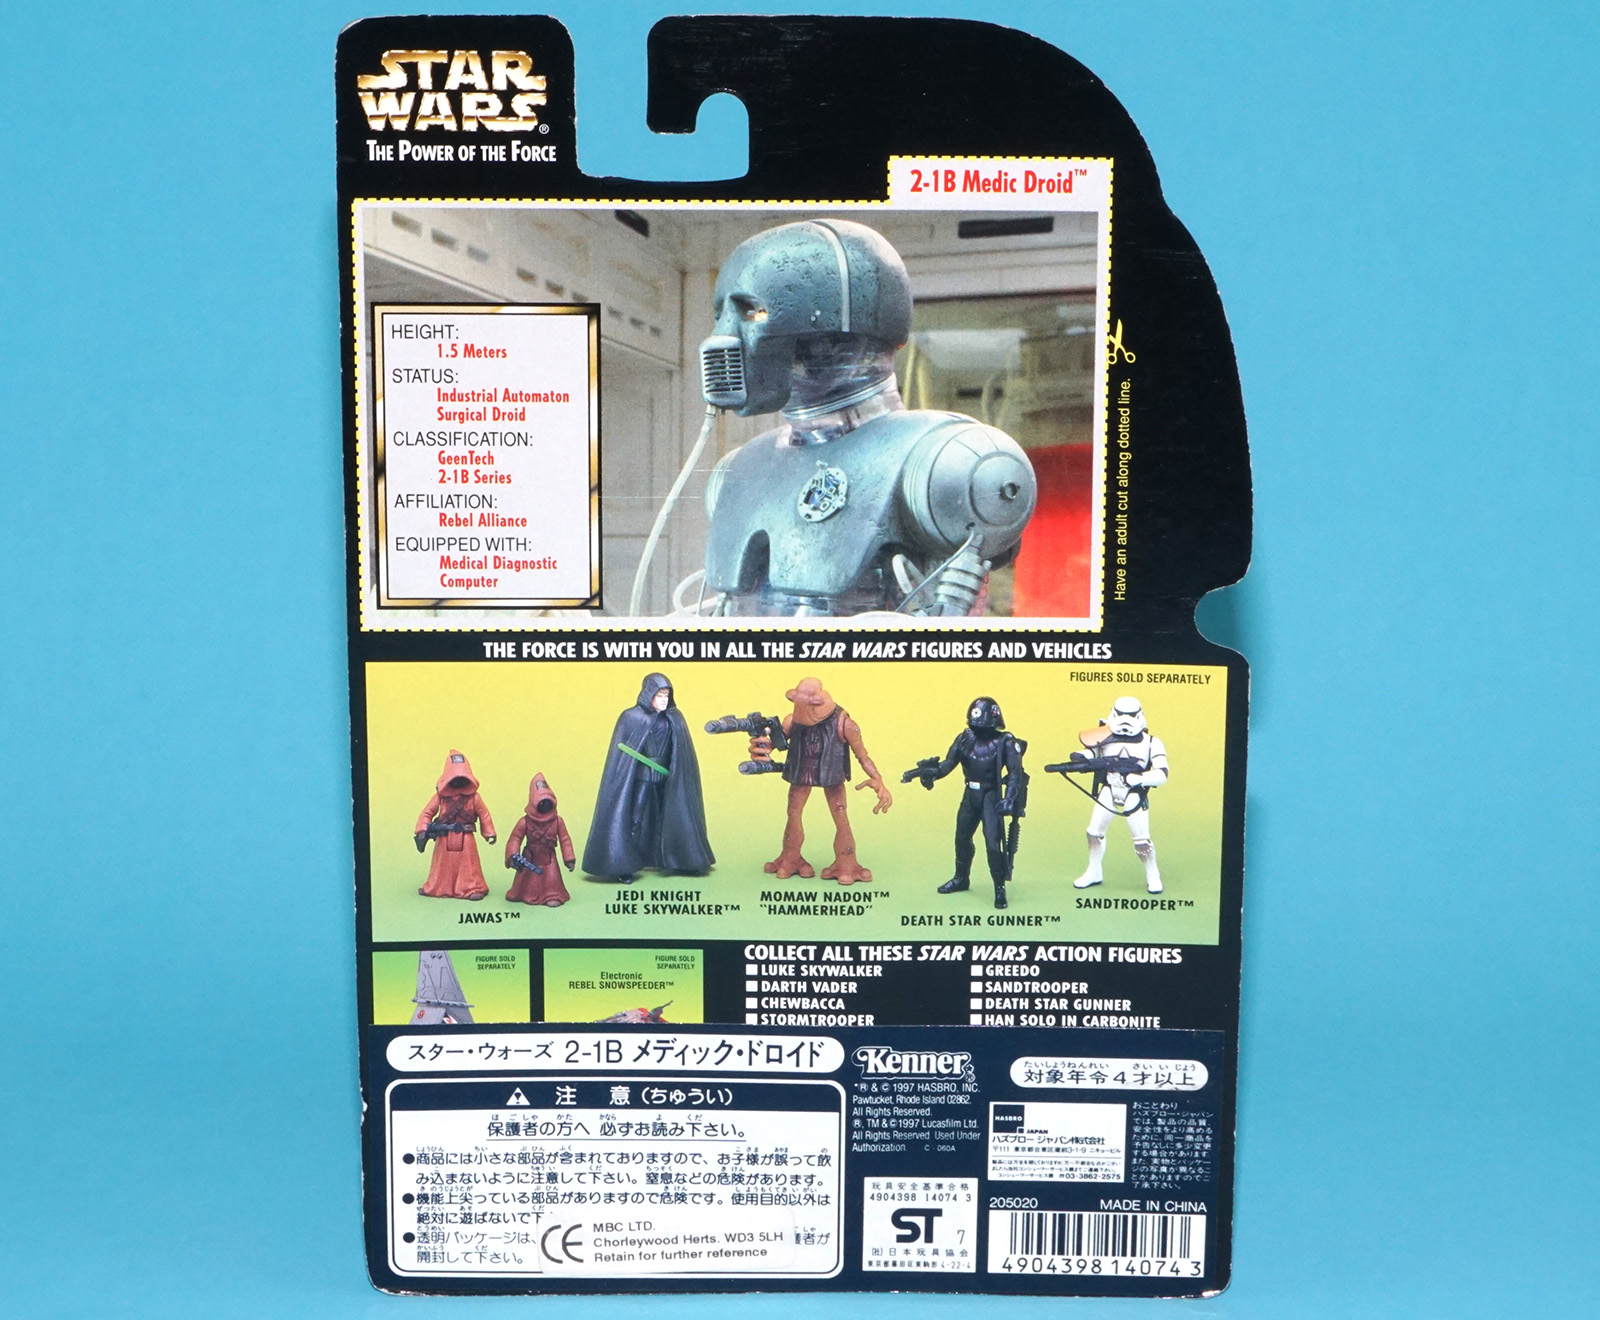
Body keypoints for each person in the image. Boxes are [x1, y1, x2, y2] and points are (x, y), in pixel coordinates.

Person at [694, 219, 1037, 616]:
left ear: (836, 326)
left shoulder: (950, 462)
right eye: (720, 314)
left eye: (752, 311)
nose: (723, 336)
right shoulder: (738, 470)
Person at [755, 677, 892, 883]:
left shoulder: (844, 724)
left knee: (840, 814)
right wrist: (761, 747)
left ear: (817, 702)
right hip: (801, 770)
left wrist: (878, 780)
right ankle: (790, 856)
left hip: (832, 774)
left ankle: (847, 861)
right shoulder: (793, 720)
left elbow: (863, 756)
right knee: (793, 812)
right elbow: (773, 743)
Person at [581, 673, 714, 881]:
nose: (664, 700)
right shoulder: (631, 718)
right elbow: (622, 759)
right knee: (635, 818)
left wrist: (676, 771)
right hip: (641, 778)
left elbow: (681, 753)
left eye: (666, 695)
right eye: (659, 695)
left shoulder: (674, 718)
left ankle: (683, 860)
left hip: (667, 778)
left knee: (673, 815)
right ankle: (625, 864)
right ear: (648, 694)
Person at [906, 697, 1028, 909]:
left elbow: (1015, 774)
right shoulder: (965, 738)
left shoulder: (1006, 741)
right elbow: (947, 764)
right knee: (961, 838)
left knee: (993, 844)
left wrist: (1009, 799)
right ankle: (961, 877)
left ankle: (999, 887)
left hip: (991, 795)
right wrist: (929, 773)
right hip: (970, 794)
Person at [1071, 697, 1169, 894]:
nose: (1125, 720)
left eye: (1130, 715)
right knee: (1094, 833)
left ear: (1139, 715)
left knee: (1141, 841)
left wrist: (1139, 778)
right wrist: (1081, 758)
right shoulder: (1104, 735)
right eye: (1121, 715)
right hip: (1110, 787)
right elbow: (1092, 752)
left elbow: (1162, 774)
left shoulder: (1151, 742)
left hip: (1133, 792)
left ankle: (1153, 874)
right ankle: (1094, 871)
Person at [414, 749, 496, 901]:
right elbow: (427, 813)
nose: (458, 782)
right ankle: (437, 887)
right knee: (442, 865)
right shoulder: (440, 798)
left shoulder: (474, 798)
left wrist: (489, 832)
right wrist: (423, 829)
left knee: (469, 865)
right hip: (444, 836)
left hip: (466, 836)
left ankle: (472, 888)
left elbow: (484, 815)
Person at [504, 773, 576, 906]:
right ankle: (522, 893)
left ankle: (552, 895)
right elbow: (515, 838)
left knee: (551, 878)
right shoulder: (525, 822)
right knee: (525, 881)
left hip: (549, 857)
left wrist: (569, 858)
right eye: (541, 802)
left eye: (547, 802)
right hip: (530, 858)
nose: (545, 805)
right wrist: (513, 855)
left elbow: (565, 840)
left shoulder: (558, 821)